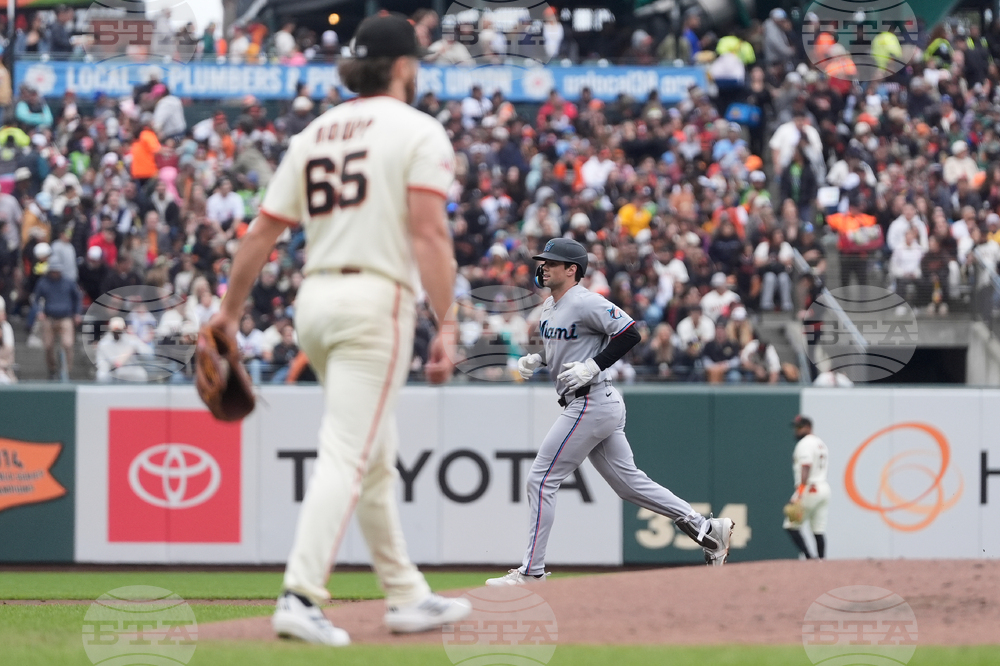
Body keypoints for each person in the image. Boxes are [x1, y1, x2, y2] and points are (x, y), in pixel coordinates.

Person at [206, 13, 470, 645]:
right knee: (349, 453)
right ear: (404, 66)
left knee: (373, 455)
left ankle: (406, 595)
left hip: (316, 301)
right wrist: (450, 322)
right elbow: (429, 232)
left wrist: (228, 312)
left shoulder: (314, 132)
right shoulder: (418, 130)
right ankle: (300, 593)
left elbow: (262, 233)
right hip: (374, 299)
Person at [485, 238, 733, 587]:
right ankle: (706, 528)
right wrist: (539, 359)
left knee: (541, 481)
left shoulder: (585, 300)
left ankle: (532, 572)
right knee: (629, 484)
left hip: (591, 400)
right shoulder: (548, 307)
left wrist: (593, 366)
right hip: (593, 402)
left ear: (572, 270)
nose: (544, 267)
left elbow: (631, 332)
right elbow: (566, 347)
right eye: (544, 262)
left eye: (552, 263)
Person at [784, 415, 829, 560]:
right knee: (818, 529)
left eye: (800, 427)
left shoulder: (805, 443)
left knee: (790, 526)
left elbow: (806, 466)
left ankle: (809, 558)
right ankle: (821, 560)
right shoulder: (820, 443)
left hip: (810, 488)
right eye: (795, 427)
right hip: (823, 489)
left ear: (808, 427)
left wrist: (799, 493)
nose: (796, 431)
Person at [32, 254, 82, 380]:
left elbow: (77, 297)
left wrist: (77, 313)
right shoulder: (43, 282)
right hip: (49, 317)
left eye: (57, 270)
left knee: (68, 344)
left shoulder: (68, 282)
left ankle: (66, 370)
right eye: (53, 270)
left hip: (65, 317)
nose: (55, 273)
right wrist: (39, 311)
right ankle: (52, 369)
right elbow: (36, 299)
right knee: (48, 346)